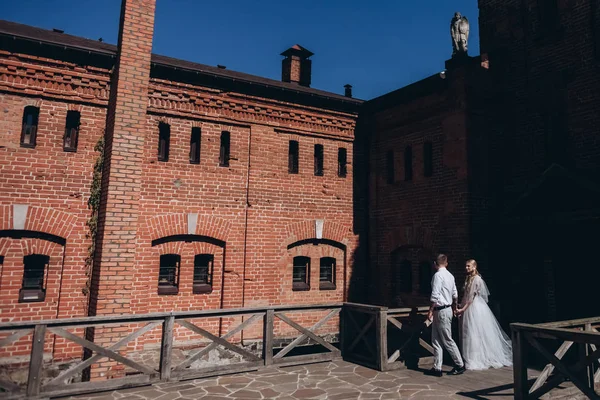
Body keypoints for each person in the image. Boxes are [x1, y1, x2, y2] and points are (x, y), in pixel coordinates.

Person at [455, 259, 512, 370]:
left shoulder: (477, 279)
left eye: (468, 266)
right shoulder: (468, 278)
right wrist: (460, 306)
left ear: (474, 267)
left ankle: (476, 358)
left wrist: (463, 309)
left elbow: (471, 298)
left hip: (474, 307)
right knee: (469, 332)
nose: (466, 268)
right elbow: (466, 296)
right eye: (466, 266)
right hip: (468, 306)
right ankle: (469, 356)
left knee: (475, 332)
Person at [427, 254, 465, 377]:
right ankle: (437, 367)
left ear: (435, 263)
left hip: (441, 310)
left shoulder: (438, 276)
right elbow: (455, 294)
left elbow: (435, 295)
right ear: (446, 263)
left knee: (447, 339)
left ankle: (459, 364)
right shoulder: (450, 276)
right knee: (436, 340)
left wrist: (430, 310)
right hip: (447, 308)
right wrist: (454, 307)